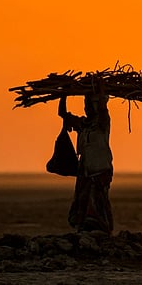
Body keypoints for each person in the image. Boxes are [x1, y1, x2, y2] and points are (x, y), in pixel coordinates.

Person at [58, 91, 114, 233]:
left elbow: (103, 109)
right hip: (85, 171)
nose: (88, 108)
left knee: (98, 201)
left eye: (90, 105)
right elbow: (62, 113)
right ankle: (84, 229)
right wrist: (63, 94)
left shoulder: (102, 123)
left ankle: (101, 229)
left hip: (100, 170)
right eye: (86, 105)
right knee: (82, 200)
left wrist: (101, 89)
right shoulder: (83, 125)